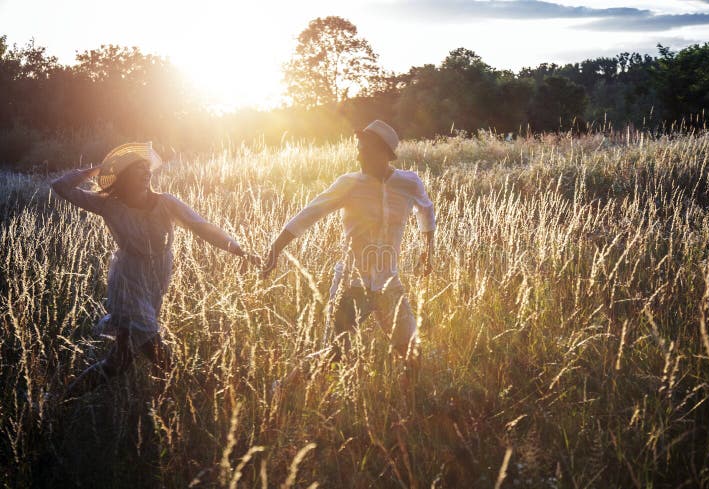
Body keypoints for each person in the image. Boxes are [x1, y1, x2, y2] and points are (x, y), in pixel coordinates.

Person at [51, 142, 259, 398]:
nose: (147, 172)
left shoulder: (166, 203)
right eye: (139, 168)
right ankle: (195, 397)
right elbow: (60, 186)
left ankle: (63, 400)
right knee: (159, 353)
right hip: (128, 282)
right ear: (125, 175)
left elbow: (202, 227)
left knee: (119, 362)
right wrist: (98, 169)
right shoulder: (109, 205)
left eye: (147, 167)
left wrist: (239, 250)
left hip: (156, 280)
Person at [263, 120, 435, 363]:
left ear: (383, 153)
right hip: (352, 285)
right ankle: (282, 389)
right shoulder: (349, 184)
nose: (358, 157)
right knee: (333, 355)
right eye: (358, 149)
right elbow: (309, 214)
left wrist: (427, 252)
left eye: (364, 150)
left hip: (389, 284)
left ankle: (412, 401)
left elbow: (426, 211)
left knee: (412, 356)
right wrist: (275, 249)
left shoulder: (409, 183)